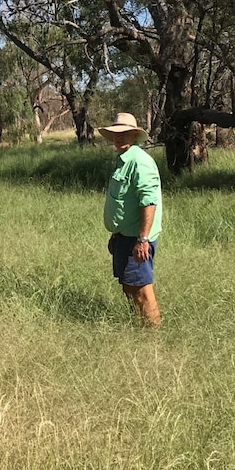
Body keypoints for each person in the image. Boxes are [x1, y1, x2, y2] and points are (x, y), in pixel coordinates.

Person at [100, 113, 163, 327]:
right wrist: (116, 233)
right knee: (129, 287)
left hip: (137, 240)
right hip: (124, 238)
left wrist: (142, 239)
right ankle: (138, 327)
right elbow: (123, 203)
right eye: (116, 133)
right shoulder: (123, 161)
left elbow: (148, 202)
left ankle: (153, 337)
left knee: (143, 291)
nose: (119, 137)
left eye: (125, 133)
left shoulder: (140, 162)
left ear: (134, 135)